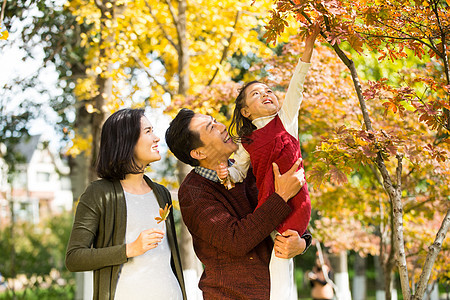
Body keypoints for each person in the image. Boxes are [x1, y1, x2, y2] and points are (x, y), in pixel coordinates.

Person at [216, 23, 321, 299]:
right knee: (276, 263)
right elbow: (237, 172)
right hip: (269, 204)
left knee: (282, 256)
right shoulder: (246, 142)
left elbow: (296, 87)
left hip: (296, 203)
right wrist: (225, 175)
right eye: (256, 93)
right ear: (245, 111)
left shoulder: (285, 120)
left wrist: (307, 51)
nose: (266, 94)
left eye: (268, 90)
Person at [165, 108, 312, 299]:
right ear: (199, 153)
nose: (222, 127)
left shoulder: (249, 167)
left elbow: (291, 211)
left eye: (215, 120)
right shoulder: (194, 193)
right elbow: (237, 240)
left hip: (278, 290)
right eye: (211, 128)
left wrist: (302, 242)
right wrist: (281, 196)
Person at [65, 108, 186, 300]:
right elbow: (74, 258)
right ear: (126, 140)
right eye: (148, 131)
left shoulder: (161, 193)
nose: (156, 138)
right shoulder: (99, 193)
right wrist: (130, 249)